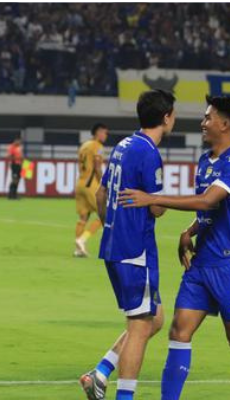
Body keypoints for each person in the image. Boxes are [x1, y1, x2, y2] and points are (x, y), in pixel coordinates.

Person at [117, 96, 230, 400]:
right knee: (179, 330)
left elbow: (207, 201)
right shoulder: (206, 160)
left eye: (208, 118)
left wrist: (152, 198)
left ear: (225, 124)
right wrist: (190, 230)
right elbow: (211, 210)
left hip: (227, 265)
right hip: (202, 263)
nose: (202, 123)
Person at [79, 89, 176, 400]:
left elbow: (101, 195)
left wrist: (113, 227)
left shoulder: (123, 145)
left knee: (154, 319)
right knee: (140, 326)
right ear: (166, 118)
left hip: (115, 247)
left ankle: (100, 372)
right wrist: (164, 201)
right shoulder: (149, 152)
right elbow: (156, 208)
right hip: (136, 251)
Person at [74, 123, 109, 257]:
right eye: (105, 132)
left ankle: (78, 249)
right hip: (91, 184)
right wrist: (103, 183)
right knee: (105, 214)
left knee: (83, 217)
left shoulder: (84, 145)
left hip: (80, 184)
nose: (106, 135)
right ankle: (82, 240)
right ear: (98, 132)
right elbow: (97, 166)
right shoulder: (97, 146)